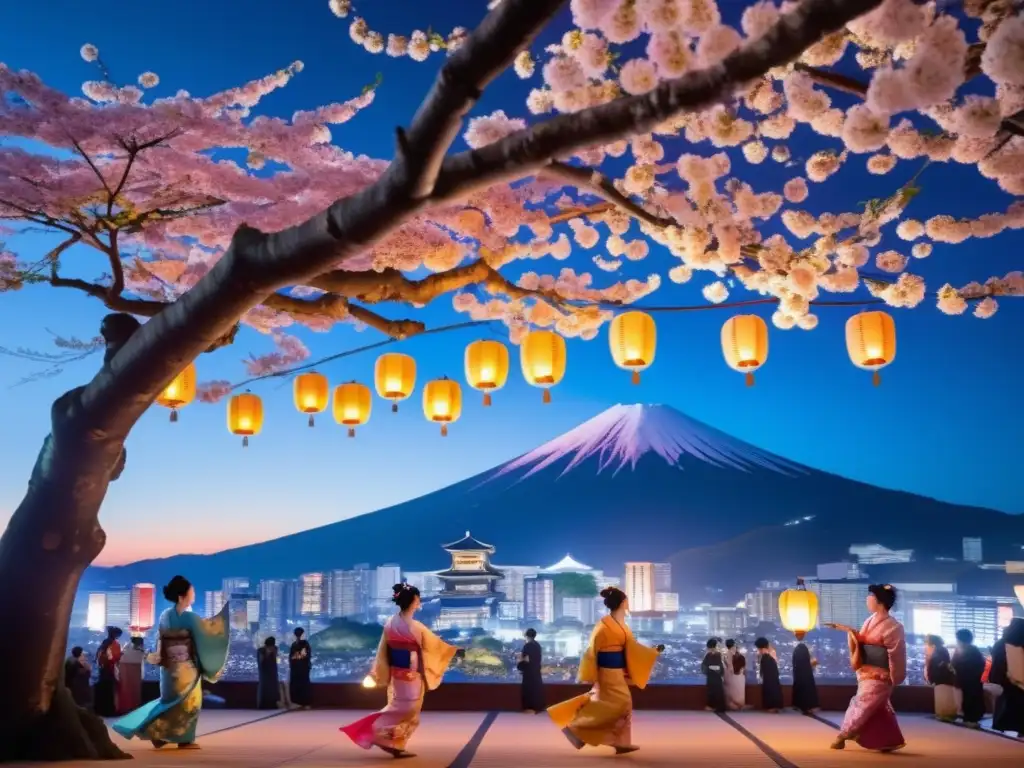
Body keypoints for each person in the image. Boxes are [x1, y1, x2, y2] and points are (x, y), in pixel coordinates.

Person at [340, 583, 465, 759]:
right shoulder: (416, 627)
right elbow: (435, 646)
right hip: (411, 676)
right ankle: (376, 731)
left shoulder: (391, 623)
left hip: (398, 675)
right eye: (418, 599)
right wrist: (453, 650)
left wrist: (378, 670)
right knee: (408, 710)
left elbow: (382, 651)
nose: (419, 602)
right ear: (414, 601)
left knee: (402, 708)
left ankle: (395, 744)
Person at [112, 575, 231, 750]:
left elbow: (160, 640)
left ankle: (160, 734)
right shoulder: (190, 618)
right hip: (187, 668)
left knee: (167, 703)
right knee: (189, 704)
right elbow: (206, 638)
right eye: (192, 591)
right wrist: (220, 625)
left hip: (168, 669)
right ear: (182, 596)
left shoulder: (164, 616)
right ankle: (184, 739)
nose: (194, 593)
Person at [547, 586, 664, 755]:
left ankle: (619, 741)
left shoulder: (622, 626)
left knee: (620, 705)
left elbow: (632, 649)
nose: (628, 604)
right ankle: (576, 729)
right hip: (607, 671)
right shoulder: (603, 626)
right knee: (621, 704)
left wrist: (652, 652)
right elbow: (591, 651)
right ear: (623, 603)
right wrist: (593, 673)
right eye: (626, 601)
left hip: (617, 671)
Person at [828, 583, 906, 752]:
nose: (867, 600)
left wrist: (894, 675)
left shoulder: (895, 626)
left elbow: (896, 654)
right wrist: (848, 631)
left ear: (879, 601)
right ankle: (887, 740)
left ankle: (842, 735)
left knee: (862, 703)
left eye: (870, 597)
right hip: (866, 672)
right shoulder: (869, 621)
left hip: (881, 675)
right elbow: (862, 639)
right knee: (877, 708)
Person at [990, 617, 1024, 736]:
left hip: (1006, 680)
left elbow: (997, 661)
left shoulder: (1001, 643)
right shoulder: (1020, 642)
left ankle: (1001, 728)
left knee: (1007, 703)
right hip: (1019, 682)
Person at [952, 628, 986, 729]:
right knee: (967, 700)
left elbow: (979, 665)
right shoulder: (962, 650)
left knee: (971, 700)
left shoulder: (971, 651)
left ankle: (971, 719)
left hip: (971, 681)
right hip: (965, 681)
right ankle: (967, 718)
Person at [924, 634, 957, 722]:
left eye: (927, 643)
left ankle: (945, 715)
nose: (925, 646)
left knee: (943, 697)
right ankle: (946, 714)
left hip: (941, 679)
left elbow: (936, 667)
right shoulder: (942, 650)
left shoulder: (938, 652)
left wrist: (933, 679)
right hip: (944, 679)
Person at [94, 626, 123, 716]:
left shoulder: (104, 643)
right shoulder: (115, 644)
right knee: (110, 690)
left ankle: (102, 710)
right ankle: (110, 710)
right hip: (111, 670)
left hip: (103, 670)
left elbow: (98, 656)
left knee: (104, 689)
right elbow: (115, 658)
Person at [117, 636, 146, 714]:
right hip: (135, 670)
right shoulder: (140, 650)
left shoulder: (126, 648)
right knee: (135, 689)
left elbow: (120, 658)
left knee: (126, 688)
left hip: (125, 670)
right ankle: (134, 708)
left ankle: (126, 708)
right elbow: (144, 658)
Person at [519, 628, 545, 714]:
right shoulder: (537, 645)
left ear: (526, 635)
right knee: (536, 690)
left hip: (529, 672)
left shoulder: (527, 646)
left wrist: (520, 665)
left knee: (528, 690)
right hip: (536, 670)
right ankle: (537, 707)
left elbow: (526, 659)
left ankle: (529, 709)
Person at [754, 638, 783, 712]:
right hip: (774, 674)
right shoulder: (772, 651)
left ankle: (771, 706)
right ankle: (776, 705)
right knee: (774, 687)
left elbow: (762, 667)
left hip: (768, 675)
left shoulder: (764, 655)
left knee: (769, 688)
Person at [288, 627, 313, 710]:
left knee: (303, 686)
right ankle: (298, 702)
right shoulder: (294, 644)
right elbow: (292, 657)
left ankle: (304, 702)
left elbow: (303, 655)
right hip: (297, 669)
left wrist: (295, 657)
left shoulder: (303, 644)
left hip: (302, 668)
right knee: (298, 686)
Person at [792, 641, 819, 714]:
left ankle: (801, 706)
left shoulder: (796, 660)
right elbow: (810, 665)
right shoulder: (806, 662)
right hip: (807, 678)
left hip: (799, 679)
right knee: (808, 692)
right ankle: (809, 707)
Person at [701, 638, 726, 713]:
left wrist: (713, 668)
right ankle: (711, 705)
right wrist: (710, 668)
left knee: (718, 691)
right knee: (711, 691)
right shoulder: (708, 655)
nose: (710, 649)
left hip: (717, 676)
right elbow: (704, 666)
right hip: (711, 676)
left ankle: (720, 707)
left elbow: (721, 667)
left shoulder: (719, 655)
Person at [257, 637, 280, 710]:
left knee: (273, 688)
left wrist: (273, 652)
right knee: (265, 687)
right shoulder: (261, 650)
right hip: (264, 672)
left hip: (273, 671)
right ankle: (263, 704)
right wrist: (267, 653)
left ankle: (273, 703)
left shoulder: (275, 648)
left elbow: (275, 659)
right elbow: (260, 662)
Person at [723, 639, 746, 711]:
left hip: (730, 677)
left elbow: (728, 667)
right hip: (739, 678)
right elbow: (743, 667)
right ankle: (738, 705)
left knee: (729, 693)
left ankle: (733, 705)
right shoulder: (740, 656)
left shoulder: (726, 655)